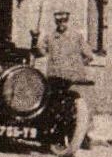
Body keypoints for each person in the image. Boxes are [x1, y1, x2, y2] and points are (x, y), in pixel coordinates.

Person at [35, 8, 94, 147]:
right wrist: (35, 42)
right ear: (56, 21)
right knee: (52, 106)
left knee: (80, 108)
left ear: (68, 20)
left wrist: (78, 65)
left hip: (74, 79)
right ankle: (50, 135)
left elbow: (89, 55)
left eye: (64, 20)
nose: (61, 23)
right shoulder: (50, 36)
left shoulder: (76, 36)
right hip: (55, 78)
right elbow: (40, 52)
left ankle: (83, 137)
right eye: (59, 21)